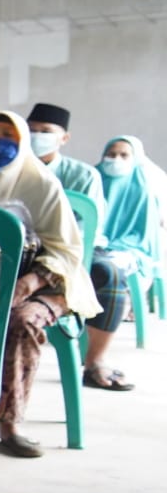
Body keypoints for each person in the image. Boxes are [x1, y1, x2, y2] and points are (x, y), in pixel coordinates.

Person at [0, 111, 99, 458]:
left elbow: (66, 250)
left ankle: (9, 424)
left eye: (7, 134)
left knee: (20, 322)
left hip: (45, 282)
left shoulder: (42, 185)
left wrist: (25, 284)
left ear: (22, 141)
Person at [85, 136, 165, 391]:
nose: (115, 160)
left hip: (127, 248)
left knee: (112, 271)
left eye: (123, 155)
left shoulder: (142, 188)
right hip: (92, 243)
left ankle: (96, 357)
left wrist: (118, 246)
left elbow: (143, 235)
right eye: (111, 153)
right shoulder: (91, 179)